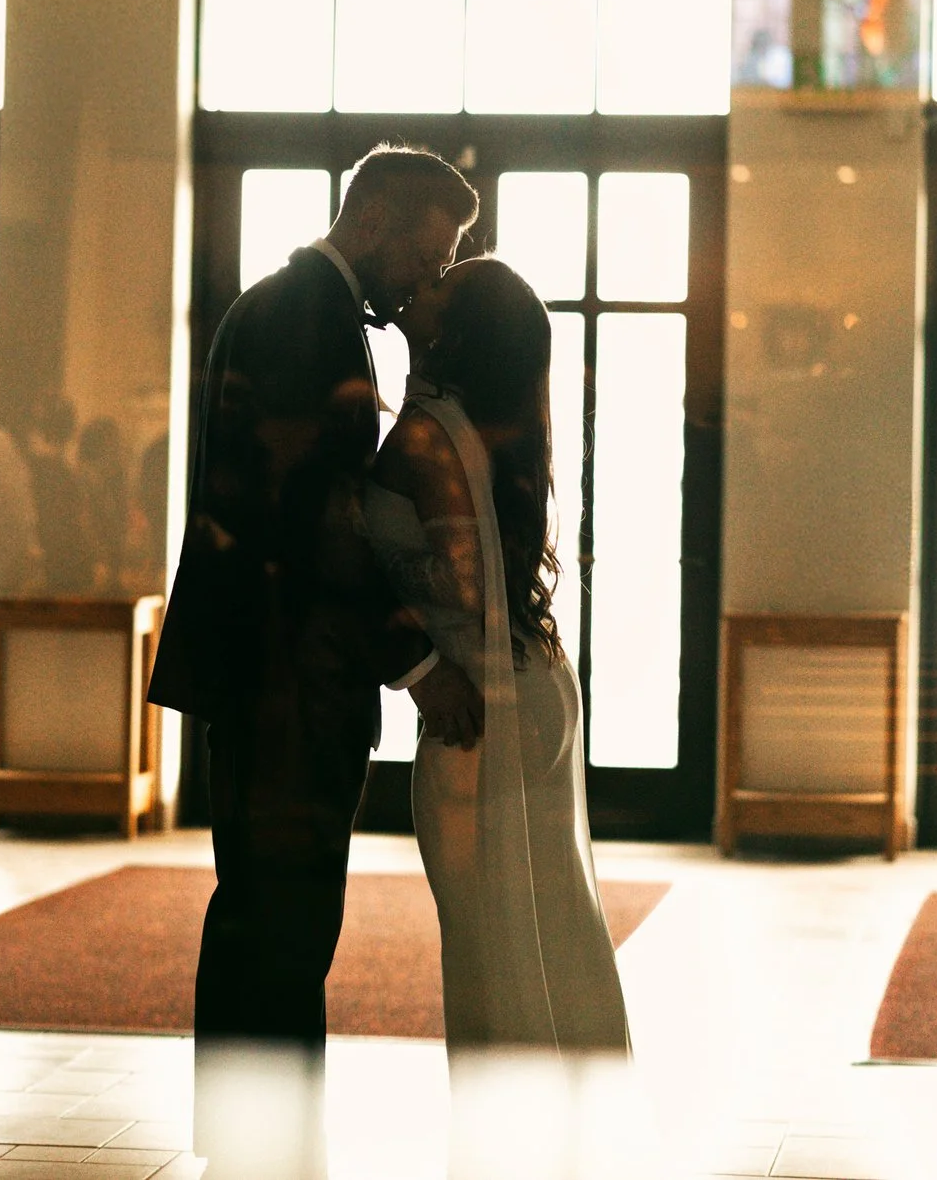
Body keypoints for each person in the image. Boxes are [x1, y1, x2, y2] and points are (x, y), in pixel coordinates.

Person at [151, 143, 488, 1179]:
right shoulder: (311, 317)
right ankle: (267, 1144)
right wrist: (416, 659)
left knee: (262, 904)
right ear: (376, 213)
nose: (421, 282)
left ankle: (255, 1136)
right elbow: (318, 519)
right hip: (291, 667)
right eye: (424, 255)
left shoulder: (292, 305)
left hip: (270, 664)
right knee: (284, 912)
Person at [363, 258, 632, 1165]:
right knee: (551, 917)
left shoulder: (425, 437)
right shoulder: (490, 424)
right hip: (538, 683)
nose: (420, 284)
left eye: (439, 286)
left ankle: (508, 1144)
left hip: (481, 701)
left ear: (458, 329)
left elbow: (359, 562)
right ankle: (573, 1125)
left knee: (492, 934)